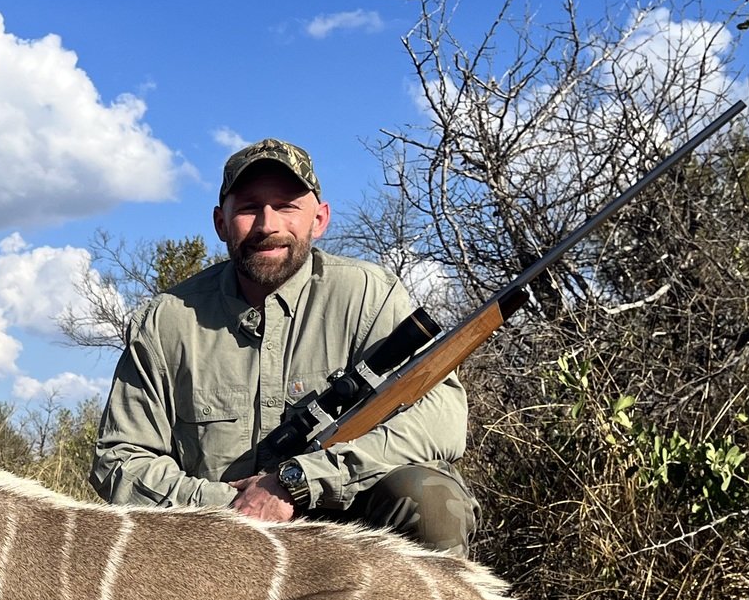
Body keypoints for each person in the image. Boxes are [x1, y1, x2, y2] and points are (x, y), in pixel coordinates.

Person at [91, 137, 478, 556]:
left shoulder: (370, 294)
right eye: (249, 207)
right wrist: (229, 508)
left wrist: (298, 481)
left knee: (430, 501)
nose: (267, 224)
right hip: (215, 540)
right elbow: (121, 458)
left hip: (352, 527)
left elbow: (440, 418)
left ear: (320, 218)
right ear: (221, 222)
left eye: (287, 206)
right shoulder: (166, 320)